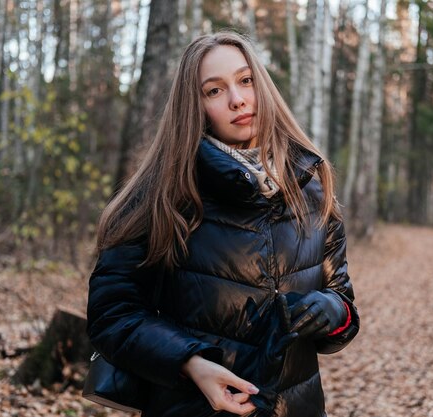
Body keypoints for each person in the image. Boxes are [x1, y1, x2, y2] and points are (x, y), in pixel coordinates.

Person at [86, 30, 359, 417]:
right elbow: (111, 314)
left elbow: (344, 309)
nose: (238, 99)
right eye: (214, 91)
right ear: (194, 106)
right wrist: (191, 363)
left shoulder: (312, 187)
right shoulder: (161, 195)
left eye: (246, 81)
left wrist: (331, 311)